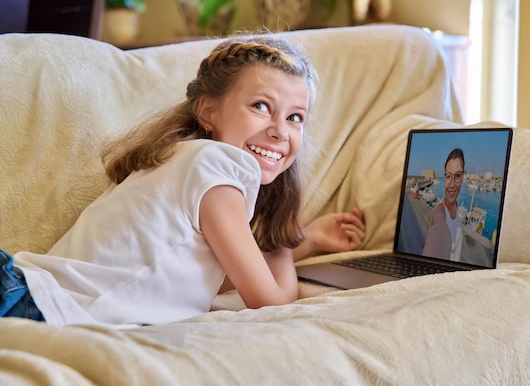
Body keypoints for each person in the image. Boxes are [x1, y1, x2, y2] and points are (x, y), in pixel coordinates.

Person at [0, 36, 365, 327]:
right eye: (260, 106)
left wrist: (310, 238)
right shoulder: (216, 166)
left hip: (22, 290)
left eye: (296, 117)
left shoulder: (183, 158)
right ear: (207, 110)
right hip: (31, 305)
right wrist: (284, 245)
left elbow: (212, 275)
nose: (279, 131)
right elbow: (270, 305)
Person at [422, 148, 465, 261]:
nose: (451, 184)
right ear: (444, 178)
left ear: (463, 177)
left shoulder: (456, 206)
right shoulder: (440, 211)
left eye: (457, 176)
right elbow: (439, 228)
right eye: (448, 176)